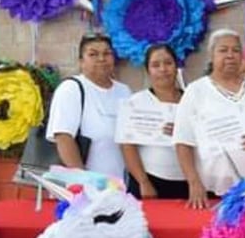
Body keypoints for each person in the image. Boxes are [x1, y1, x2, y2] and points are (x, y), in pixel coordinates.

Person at [173, 29, 245, 208]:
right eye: (223, 50)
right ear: (212, 55)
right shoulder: (196, 91)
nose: (230, 55)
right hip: (213, 189)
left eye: (235, 50)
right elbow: (182, 141)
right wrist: (194, 183)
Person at [46, 34, 131, 180]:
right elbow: (63, 137)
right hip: (84, 188)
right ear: (81, 61)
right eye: (93, 54)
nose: (101, 59)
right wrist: (84, 181)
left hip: (120, 185)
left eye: (107, 53)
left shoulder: (124, 91)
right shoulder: (71, 88)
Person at [117, 43, 188, 199]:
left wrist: (185, 132)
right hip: (150, 181)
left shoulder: (192, 100)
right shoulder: (135, 103)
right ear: (147, 70)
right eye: (156, 65)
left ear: (177, 66)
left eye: (168, 63)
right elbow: (127, 146)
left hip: (188, 181)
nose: (163, 69)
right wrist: (143, 182)